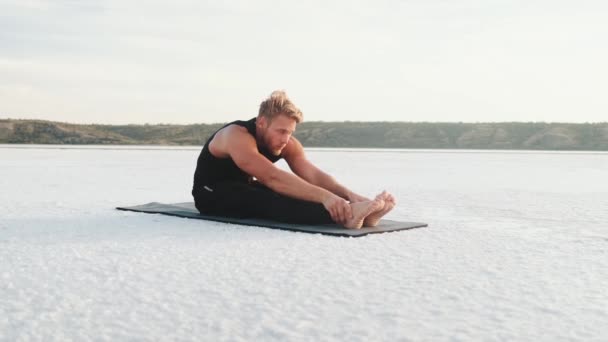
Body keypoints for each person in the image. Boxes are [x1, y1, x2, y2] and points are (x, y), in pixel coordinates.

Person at [191, 90, 395, 229]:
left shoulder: (285, 142)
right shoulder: (236, 136)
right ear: (262, 122)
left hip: (245, 187)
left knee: (290, 193)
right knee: (267, 199)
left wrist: (350, 195)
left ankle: (358, 212)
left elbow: (312, 175)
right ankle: (347, 216)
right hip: (211, 193)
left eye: (289, 132)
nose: (286, 139)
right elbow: (272, 177)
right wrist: (327, 198)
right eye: (281, 131)